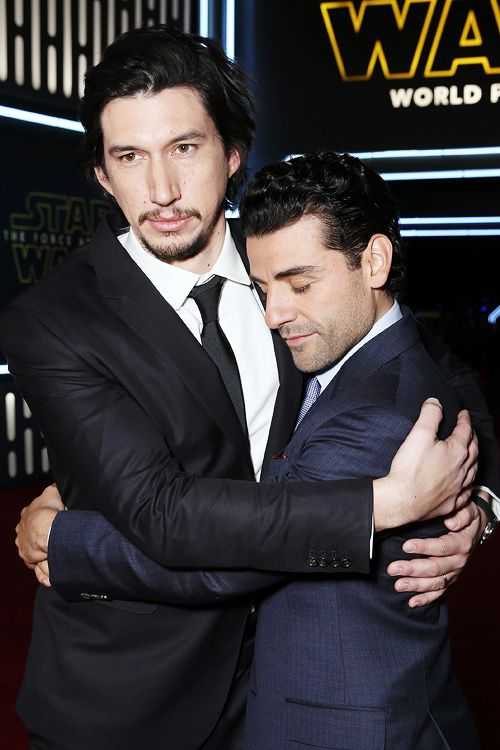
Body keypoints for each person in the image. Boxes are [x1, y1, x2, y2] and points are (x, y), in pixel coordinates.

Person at [2, 26, 490, 750]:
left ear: (232, 156)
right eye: (129, 158)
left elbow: (425, 366)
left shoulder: (287, 265)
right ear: (102, 176)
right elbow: (165, 517)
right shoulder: (53, 321)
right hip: (129, 704)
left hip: (284, 691)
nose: (161, 190)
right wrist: (381, 508)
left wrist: (474, 504)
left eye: (185, 149)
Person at [238, 152, 482, 749]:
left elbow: (234, 553)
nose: (275, 314)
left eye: (299, 284)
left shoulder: (378, 418)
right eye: (263, 287)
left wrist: (68, 540)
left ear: (373, 261)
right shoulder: (369, 348)